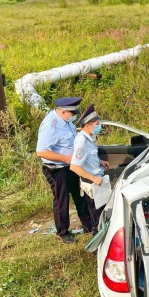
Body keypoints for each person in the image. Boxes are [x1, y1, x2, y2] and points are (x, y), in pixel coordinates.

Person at [36, 97, 94, 243]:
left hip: (72, 166)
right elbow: (41, 152)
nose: (74, 116)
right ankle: (62, 232)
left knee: (80, 196)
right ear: (62, 111)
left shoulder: (66, 120)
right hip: (57, 169)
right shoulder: (51, 126)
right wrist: (65, 158)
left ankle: (89, 226)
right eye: (71, 113)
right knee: (61, 201)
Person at [70, 104, 110, 234]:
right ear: (87, 125)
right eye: (97, 124)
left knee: (104, 214)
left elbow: (89, 158)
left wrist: (100, 162)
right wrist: (93, 178)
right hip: (92, 183)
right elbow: (74, 166)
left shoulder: (89, 138)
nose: (99, 126)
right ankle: (97, 246)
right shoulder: (82, 142)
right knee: (97, 217)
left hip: (99, 179)